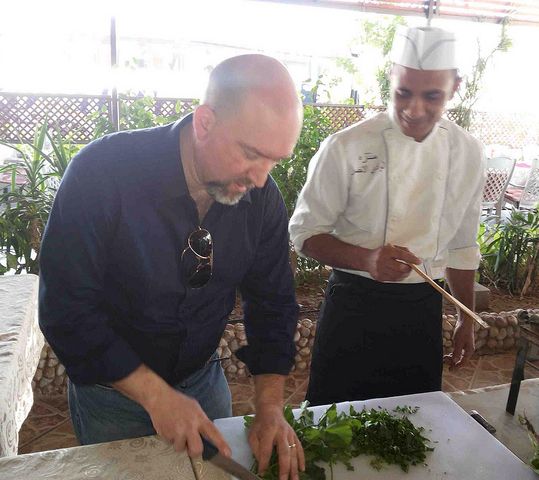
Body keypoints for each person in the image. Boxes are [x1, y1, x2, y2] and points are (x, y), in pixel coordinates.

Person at [39, 54, 306, 479]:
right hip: (111, 396)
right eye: (252, 154)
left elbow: (273, 304)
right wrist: (157, 397)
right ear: (205, 123)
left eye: (275, 160)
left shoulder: (262, 199)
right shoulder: (102, 173)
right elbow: (66, 311)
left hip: (203, 385)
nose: (260, 178)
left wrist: (270, 407)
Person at [289, 26, 486, 405]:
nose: (414, 109)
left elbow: (463, 245)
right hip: (353, 307)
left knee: (413, 425)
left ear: (455, 86)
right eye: (403, 93)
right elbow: (304, 232)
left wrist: (466, 319)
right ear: (390, 80)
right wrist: (367, 259)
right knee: (332, 424)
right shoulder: (346, 146)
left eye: (432, 96)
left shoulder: (468, 152)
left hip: (421, 311)